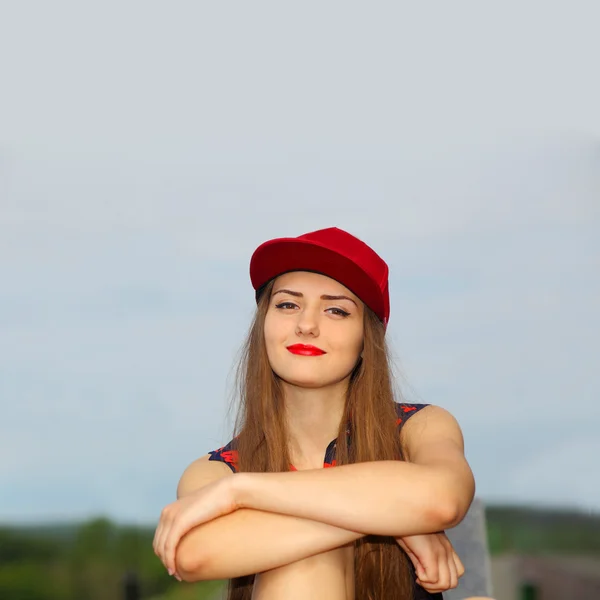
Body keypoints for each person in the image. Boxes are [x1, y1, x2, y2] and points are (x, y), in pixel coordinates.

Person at [154, 227, 476, 599]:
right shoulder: (217, 469)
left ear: (365, 341)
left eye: (336, 310)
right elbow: (193, 554)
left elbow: (442, 498)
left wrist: (241, 492)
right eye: (288, 305)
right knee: (300, 561)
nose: (306, 325)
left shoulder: (418, 427)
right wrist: (397, 520)